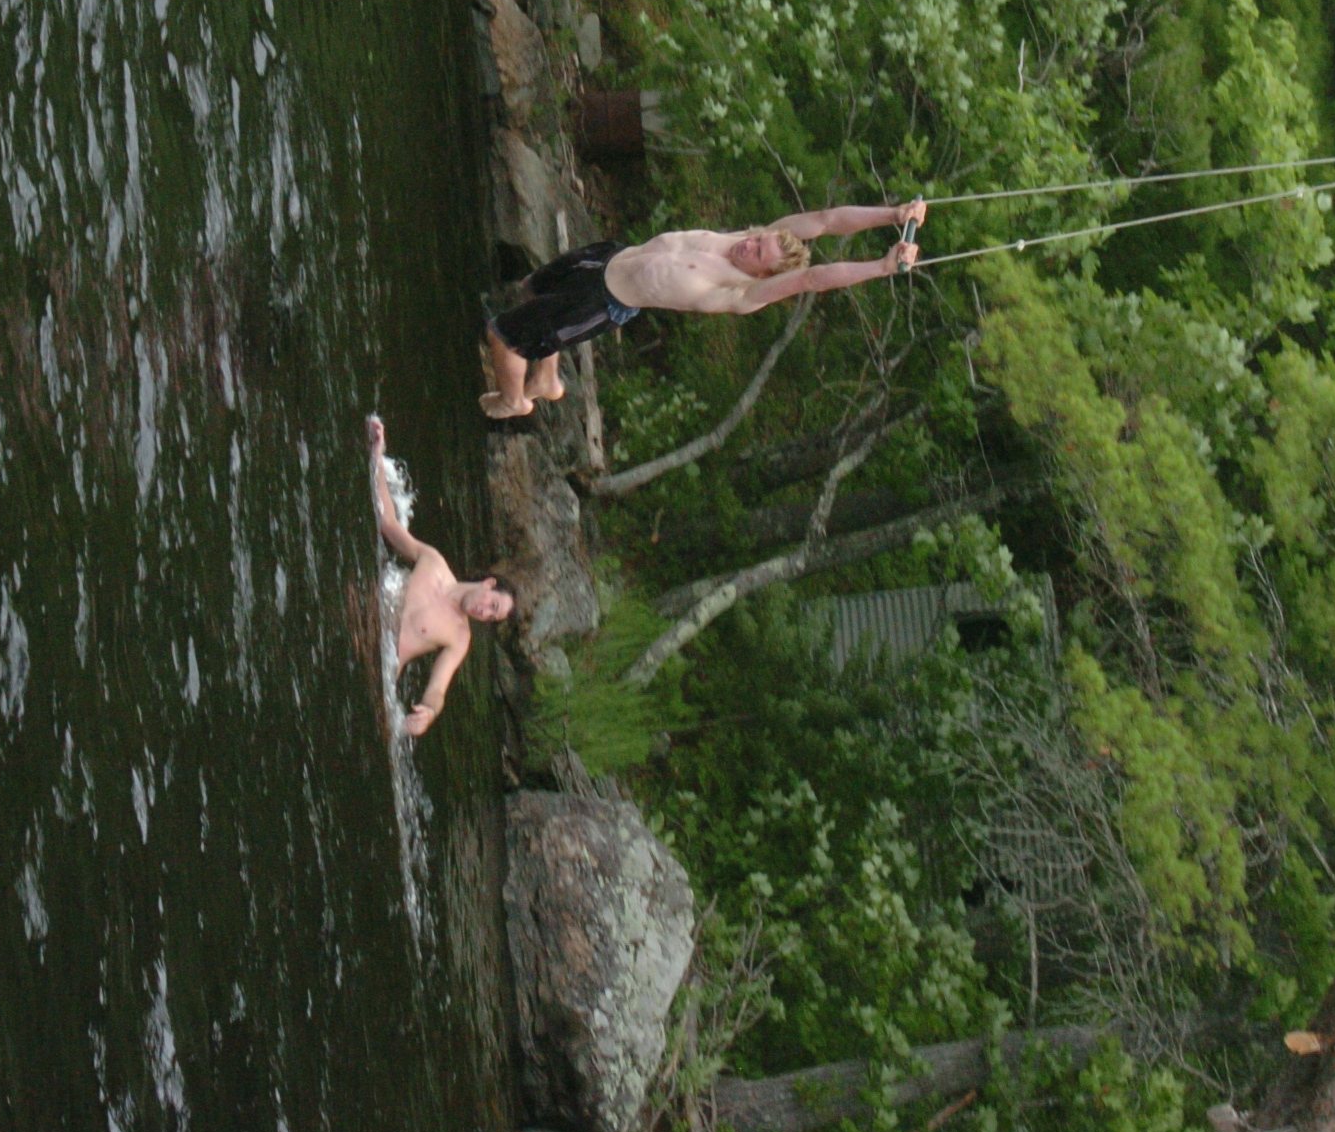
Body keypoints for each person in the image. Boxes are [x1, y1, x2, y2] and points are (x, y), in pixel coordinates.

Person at [481, 200, 926, 419]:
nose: (749, 245)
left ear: (763, 275)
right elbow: (826, 221)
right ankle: (547, 378)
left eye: (757, 253)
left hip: (602, 301)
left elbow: (813, 279)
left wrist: (882, 266)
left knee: (505, 338)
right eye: (757, 238)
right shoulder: (739, 240)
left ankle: (513, 401)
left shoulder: (740, 292)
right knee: (532, 290)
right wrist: (893, 214)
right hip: (607, 258)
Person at [366, 416, 516, 736]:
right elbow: (389, 524)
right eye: (492, 605)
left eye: (491, 617)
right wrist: (377, 459)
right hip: (363, 620)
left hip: (376, 667)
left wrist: (430, 712)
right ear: (488, 583)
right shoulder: (433, 562)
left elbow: (437, 689)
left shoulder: (459, 638)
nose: (484, 613)